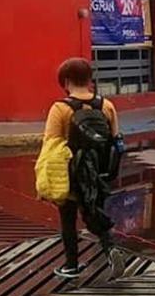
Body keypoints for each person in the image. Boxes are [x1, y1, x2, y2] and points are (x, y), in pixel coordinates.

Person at [42, 57, 124, 279]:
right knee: (94, 212)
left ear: (66, 81)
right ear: (89, 79)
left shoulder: (60, 108)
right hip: (97, 173)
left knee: (68, 220)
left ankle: (71, 265)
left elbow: (51, 143)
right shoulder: (106, 105)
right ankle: (110, 248)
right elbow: (116, 140)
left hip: (71, 173)